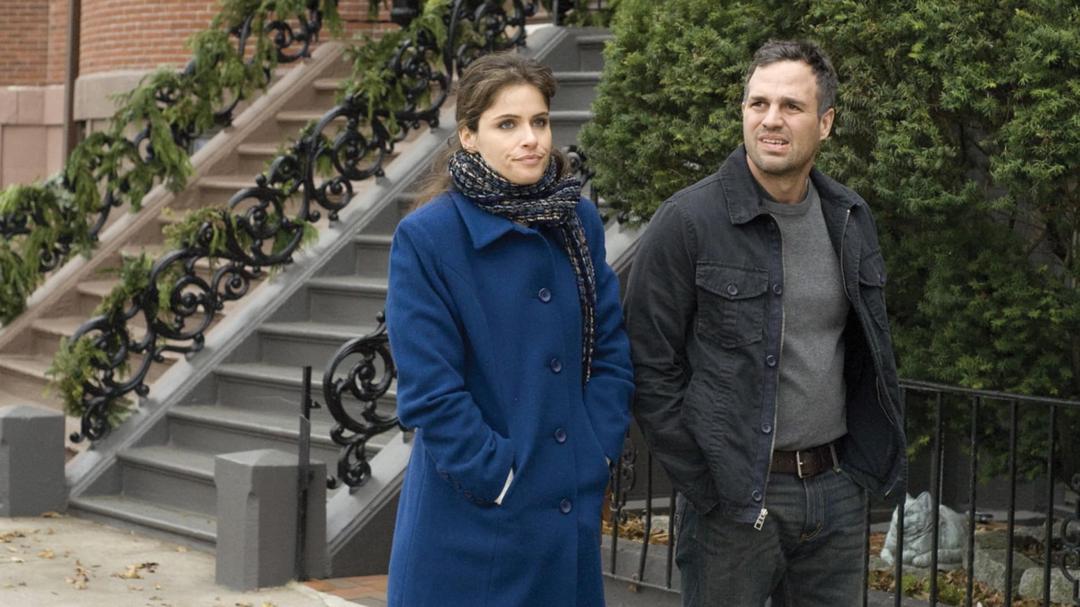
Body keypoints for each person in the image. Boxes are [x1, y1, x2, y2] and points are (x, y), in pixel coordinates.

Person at [624, 40, 907, 606]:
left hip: (837, 492)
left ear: (826, 123)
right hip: (735, 506)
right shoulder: (688, 221)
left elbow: (864, 352)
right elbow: (647, 364)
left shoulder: (849, 217)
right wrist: (707, 483)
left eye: (791, 106)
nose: (771, 119)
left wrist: (859, 473)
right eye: (759, 103)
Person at [384, 52, 634, 607]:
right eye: (507, 124)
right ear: (469, 136)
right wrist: (499, 478)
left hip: (565, 523)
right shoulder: (428, 238)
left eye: (539, 121)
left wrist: (596, 451)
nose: (531, 139)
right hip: (469, 530)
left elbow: (610, 351)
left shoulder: (577, 221)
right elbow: (429, 391)